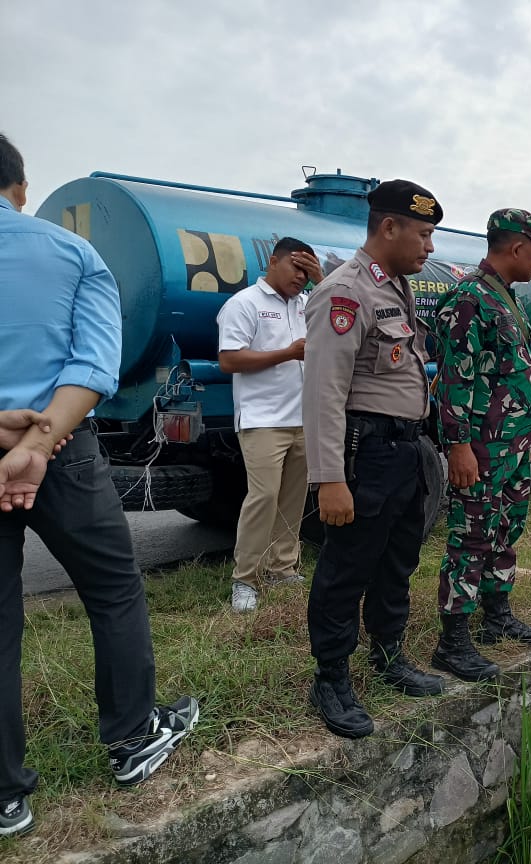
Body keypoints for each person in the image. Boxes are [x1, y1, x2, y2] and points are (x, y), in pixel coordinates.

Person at [0, 134, 197, 836]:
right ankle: (133, 737)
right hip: (63, 454)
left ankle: (4, 796)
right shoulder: (74, 253)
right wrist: (35, 443)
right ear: (20, 187)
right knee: (113, 590)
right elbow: (94, 366)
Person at [303, 179, 445, 739]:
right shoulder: (345, 292)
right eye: (424, 234)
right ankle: (331, 677)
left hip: (404, 449)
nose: (430, 248)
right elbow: (323, 393)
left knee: (397, 558)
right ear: (389, 227)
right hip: (368, 448)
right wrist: (329, 479)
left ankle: (388, 655)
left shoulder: (394, 287)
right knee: (348, 565)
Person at [431, 209, 531, 682]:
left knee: (506, 527)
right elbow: (454, 382)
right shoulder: (469, 299)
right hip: (481, 447)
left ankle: (496, 614)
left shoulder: (508, 299)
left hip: (512, 444)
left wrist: (530, 437)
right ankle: (453, 641)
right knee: (472, 534)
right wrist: (457, 445)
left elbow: (513, 375)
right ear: (517, 247)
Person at [217, 237, 323, 613]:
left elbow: (339, 323)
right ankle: (245, 579)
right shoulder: (245, 304)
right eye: (296, 267)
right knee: (263, 497)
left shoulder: (307, 303)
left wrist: (320, 278)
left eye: (307, 269)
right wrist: (287, 353)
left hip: (302, 418)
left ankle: (283, 568)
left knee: (293, 500)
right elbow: (229, 360)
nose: (301, 276)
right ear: (273, 262)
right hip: (263, 420)